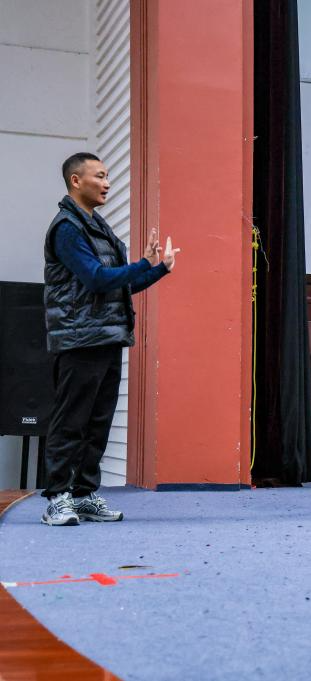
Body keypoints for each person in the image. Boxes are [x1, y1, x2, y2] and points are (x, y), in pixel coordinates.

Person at [41, 152, 180, 526]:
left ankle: (83, 494)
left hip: (107, 337)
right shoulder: (67, 228)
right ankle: (57, 498)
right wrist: (142, 264)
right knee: (71, 422)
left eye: (107, 177)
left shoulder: (97, 226)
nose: (106, 183)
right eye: (99, 176)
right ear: (76, 181)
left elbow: (120, 286)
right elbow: (97, 278)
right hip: (79, 340)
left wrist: (160, 269)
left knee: (98, 422)